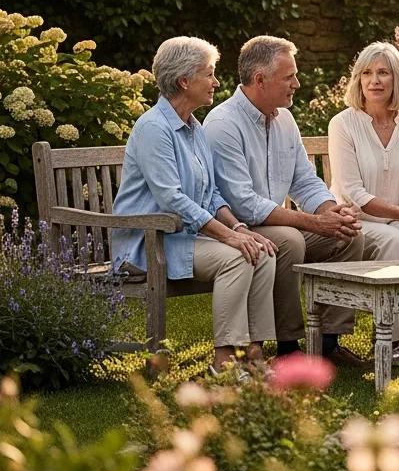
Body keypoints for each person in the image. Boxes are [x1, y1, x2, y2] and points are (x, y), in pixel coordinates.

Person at [112, 36, 276, 375]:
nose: (216, 82)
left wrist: (239, 228)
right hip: (149, 243)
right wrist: (228, 238)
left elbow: (211, 193)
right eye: (209, 73)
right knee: (236, 258)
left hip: (184, 237)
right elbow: (171, 199)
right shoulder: (154, 129)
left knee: (261, 251)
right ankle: (225, 363)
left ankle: (253, 356)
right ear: (184, 81)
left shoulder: (194, 127)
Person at [203, 35, 369, 369]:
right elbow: (243, 203)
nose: (297, 83)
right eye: (289, 76)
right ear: (260, 80)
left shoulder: (284, 119)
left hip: (275, 224)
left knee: (350, 235)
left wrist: (331, 212)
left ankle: (327, 343)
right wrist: (314, 222)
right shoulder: (223, 124)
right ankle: (288, 345)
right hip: (234, 229)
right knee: (289, 240)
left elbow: (304, 180)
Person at [328, 42, 399, 365]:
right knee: (393, 238)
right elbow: (353, 192)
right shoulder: (343, 124)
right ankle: (387, 340)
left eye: (382, 73)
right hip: (356, 221)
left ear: (396, 80)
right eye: (367, 73)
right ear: (358, 80)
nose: (374, 81)